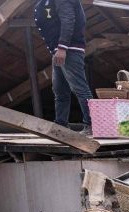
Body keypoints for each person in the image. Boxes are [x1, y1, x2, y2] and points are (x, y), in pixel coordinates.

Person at [34, 0, 92, 134]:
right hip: (58, 50)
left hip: (68, 49)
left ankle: (92, 124)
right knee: (60, 90)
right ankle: (61, 125)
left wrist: (62, 47)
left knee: (80, 88)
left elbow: (68, 19)